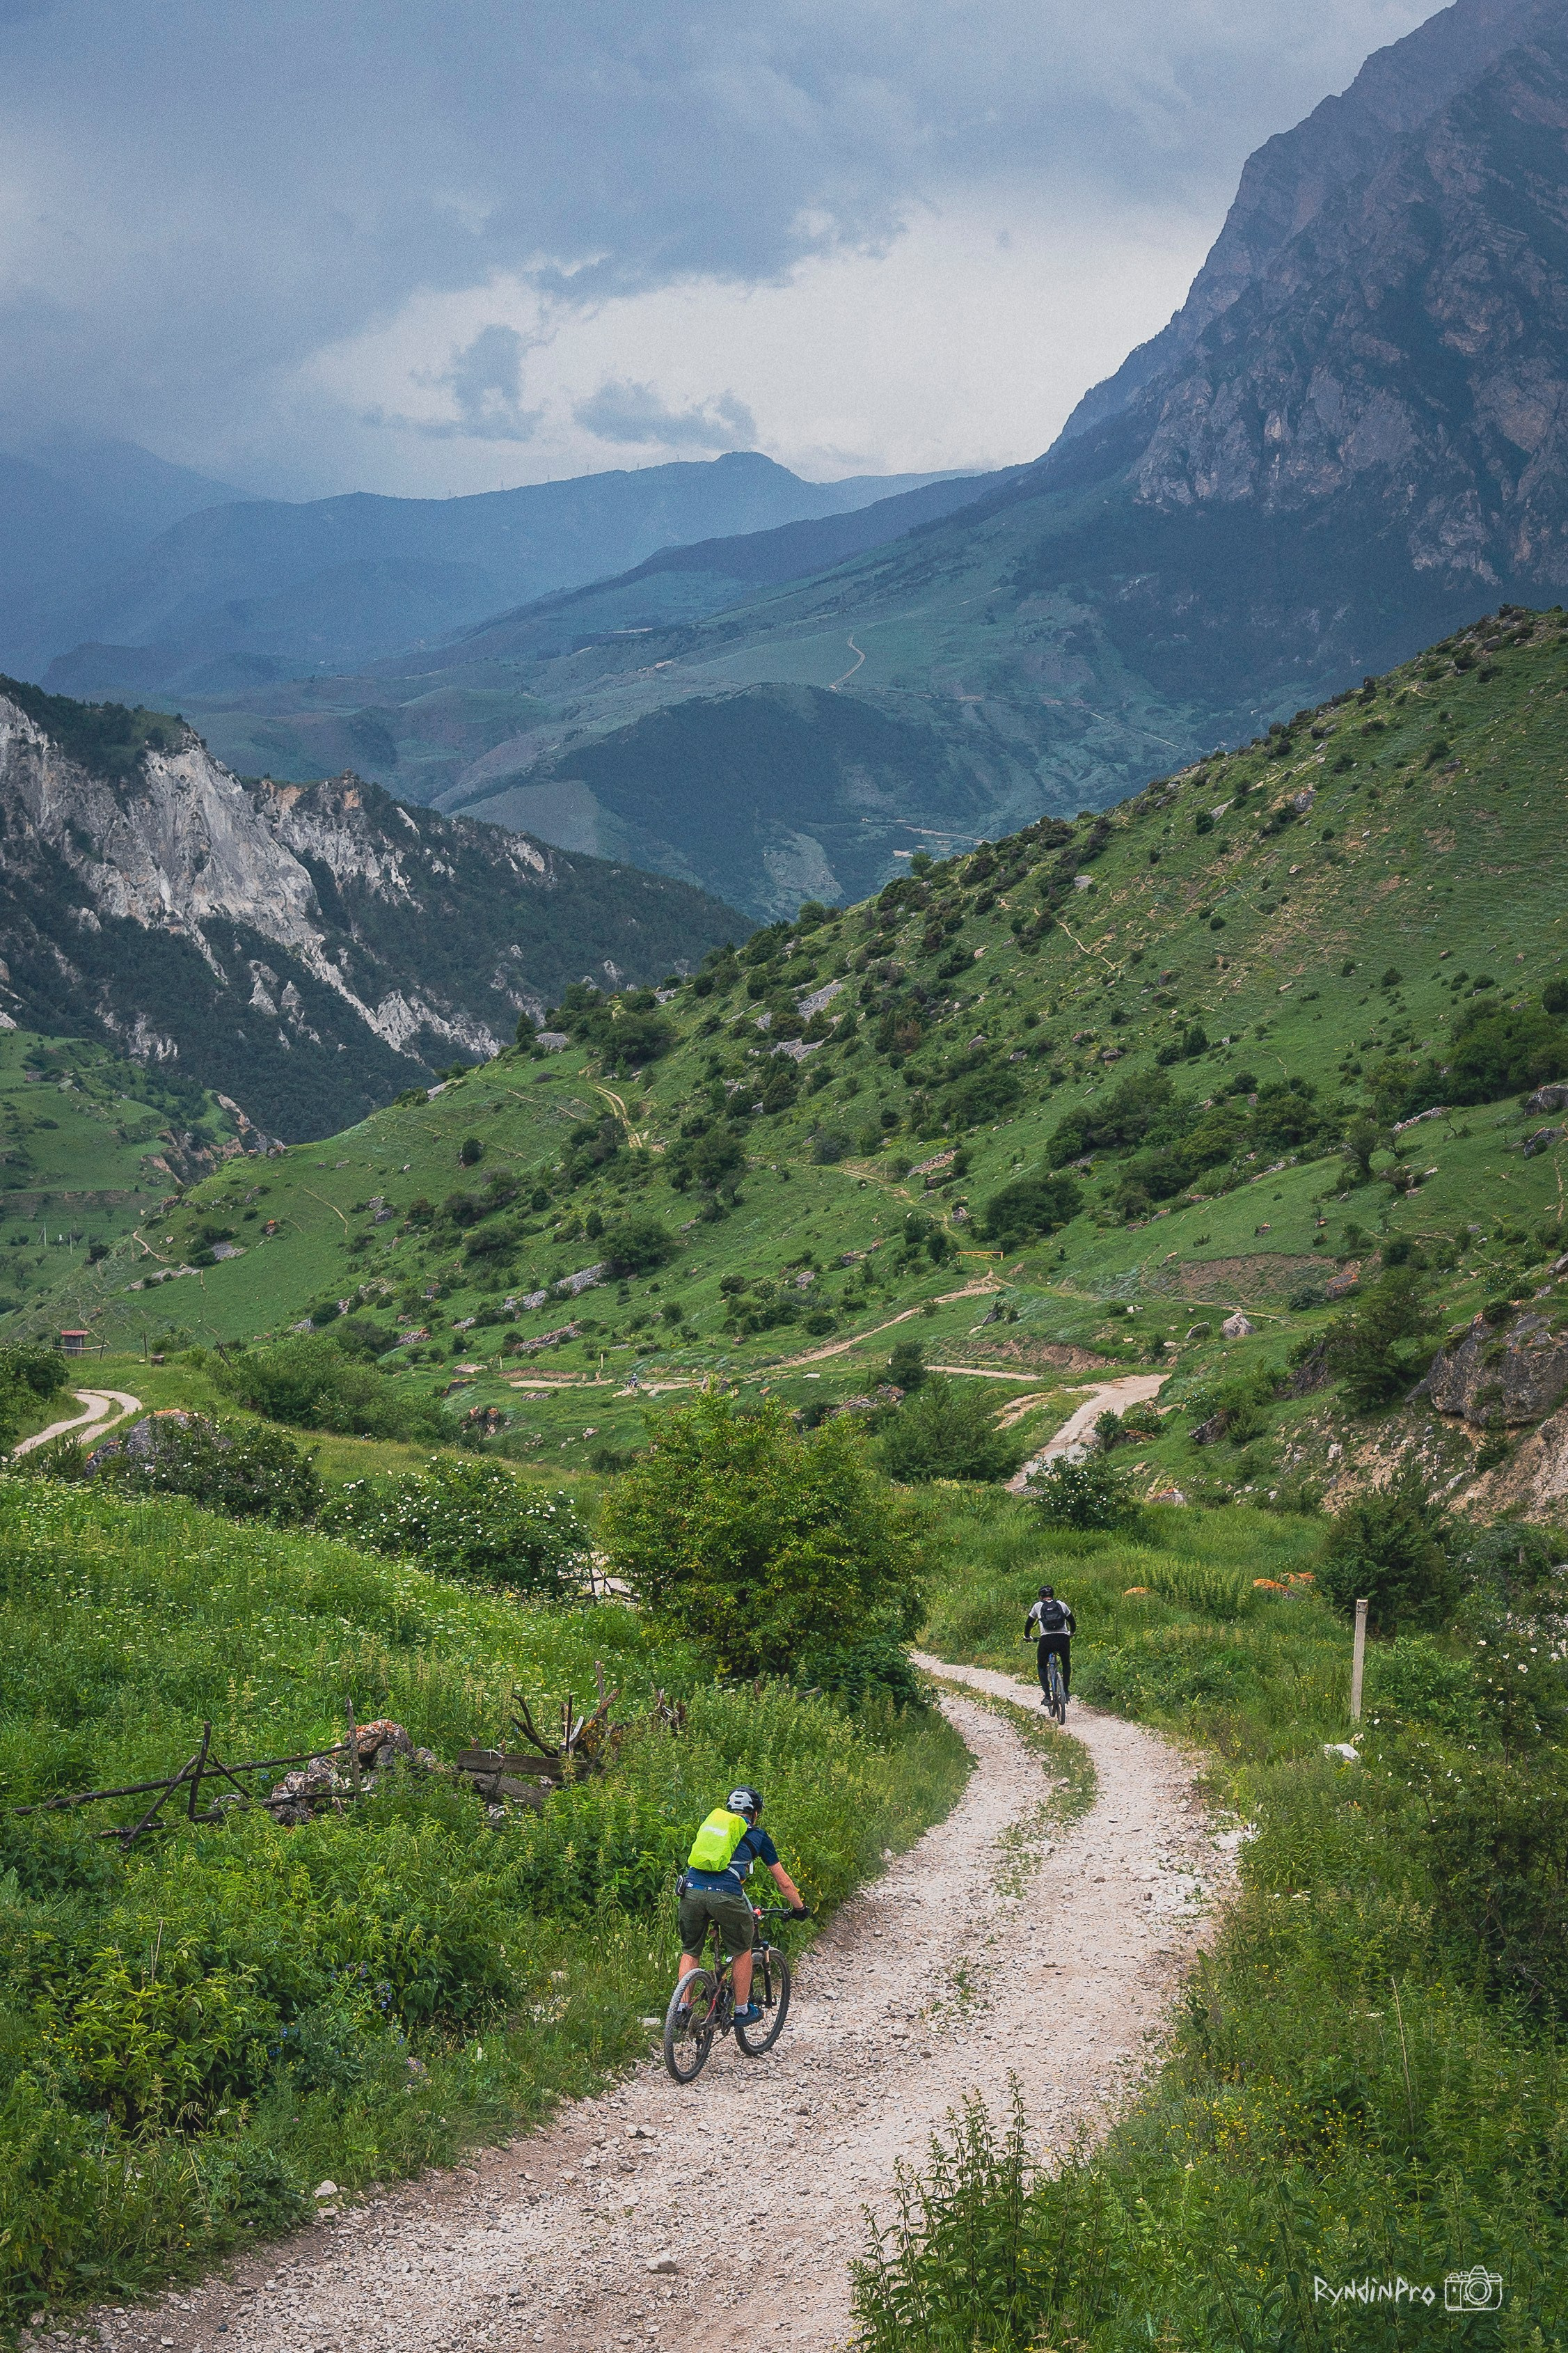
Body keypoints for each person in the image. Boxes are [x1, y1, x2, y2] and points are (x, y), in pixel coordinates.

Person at [676, 1786, 807, 2024]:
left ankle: (681, 2009)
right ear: (755, 1813)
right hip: (725, 1896)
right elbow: (784, 1883)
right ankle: (742, 2010)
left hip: (690, 1891)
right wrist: (799, 1908)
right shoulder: (758, 1835)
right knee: (742, 1951)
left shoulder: (713, 1827)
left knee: (691, 1950)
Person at [1024, 1584, 1075, 1706]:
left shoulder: (1038, 1606)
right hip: (1063, 1639)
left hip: (1046, 1640)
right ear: (1052, 1595)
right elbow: (1072, 1622)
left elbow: (1029, 1624)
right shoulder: (1061, 1604)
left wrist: (1027, 1636)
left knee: (1042, 1666)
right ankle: (1066, 1692)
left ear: (1040, 1596)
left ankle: (1047, 1697)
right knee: (1066, 1663)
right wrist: (1071, 1633)